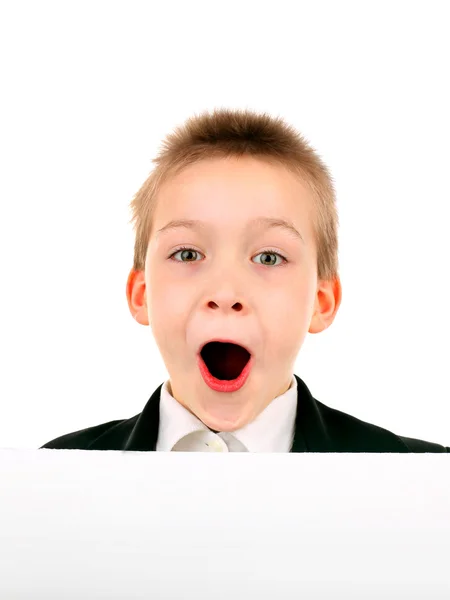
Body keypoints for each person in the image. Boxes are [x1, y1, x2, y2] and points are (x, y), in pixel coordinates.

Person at [40, 108, 448, 453]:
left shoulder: (426, 478)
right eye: (187, 254)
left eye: (269, 257)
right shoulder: (48, 476)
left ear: (321, 302)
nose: (225, 293)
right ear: (141, 294)